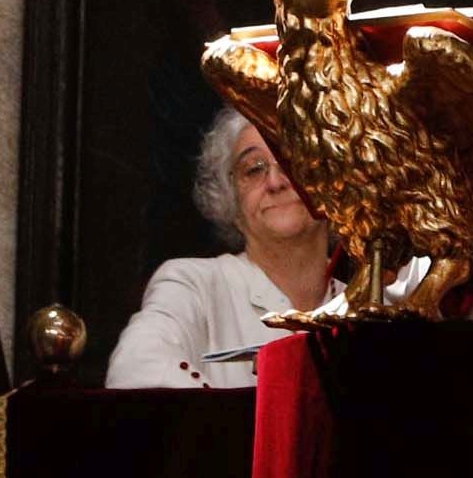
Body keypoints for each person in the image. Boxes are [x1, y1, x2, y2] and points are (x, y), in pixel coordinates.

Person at [107, 107, 334, 387]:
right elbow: (134, 370)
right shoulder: (193, 285)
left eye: (290, 161)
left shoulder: (372, 306)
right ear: (232, 203)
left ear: (333, 185)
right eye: (254, 169)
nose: (275, 182)